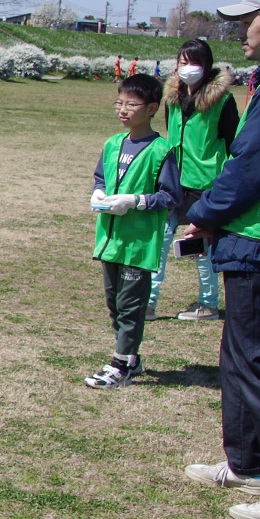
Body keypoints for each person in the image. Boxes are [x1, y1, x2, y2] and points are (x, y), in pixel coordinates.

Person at [181, 0, 260, 519]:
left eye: (252, 20)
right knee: (241, 355)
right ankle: (247, 463)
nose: (242, 31)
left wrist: (205, 212)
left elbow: (250, 165)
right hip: (252, 238)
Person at [84, 74, 180, 388]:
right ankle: (131, 358)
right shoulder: (113, 144)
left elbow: (170, 196)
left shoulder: (161, 150)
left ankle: (121, 363)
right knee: (114, 303)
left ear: (152, 108)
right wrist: (98, 193)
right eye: (120, 103)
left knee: (131, 305)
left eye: (132, 104)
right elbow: (101, 178)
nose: (123, 110)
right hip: (110, 240)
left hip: (138, 244)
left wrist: (135, 201)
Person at [148, 39, 236, 321]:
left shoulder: (222, 100)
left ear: (207, 66)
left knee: (199, 247)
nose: (188, 69)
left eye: (194, 62)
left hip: (205, 184)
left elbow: (233, 142)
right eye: (183, 62)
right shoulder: (171, 98)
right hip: (173, 181)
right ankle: (148, 303)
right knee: (160, 241)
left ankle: (208, 304)